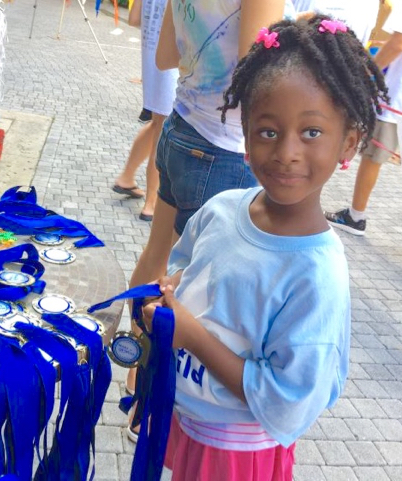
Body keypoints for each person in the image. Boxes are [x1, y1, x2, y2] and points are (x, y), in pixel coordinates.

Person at [140, 15, 388, 479]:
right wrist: (163, 317)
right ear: (246, 136)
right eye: (268, 131)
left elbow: (285, 399)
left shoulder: (317, 274)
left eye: (311, 133)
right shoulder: (220, 209)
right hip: (187, 417)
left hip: (236, 453)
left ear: (348, 144)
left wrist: (191, 336)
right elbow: (180, 275)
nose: (286, 152)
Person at [123, 0, 287, 415]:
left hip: (180, 127)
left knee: (157, 256)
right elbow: (262, 73)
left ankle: (136, 365)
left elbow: (166, 57)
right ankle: (151, 392)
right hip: (224, 146)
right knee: (189, 287)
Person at [324, 0, 402, 256]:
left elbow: (399, 43)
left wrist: (366, 72)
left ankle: (356, 216)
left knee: (372, 158)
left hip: (400, 98)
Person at [112, 0, 178, 221]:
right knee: (162, 126)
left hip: (154, 53)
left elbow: (134, 18)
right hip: (173, 60)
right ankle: (151, 202)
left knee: (158, 123)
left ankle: (127, 177)